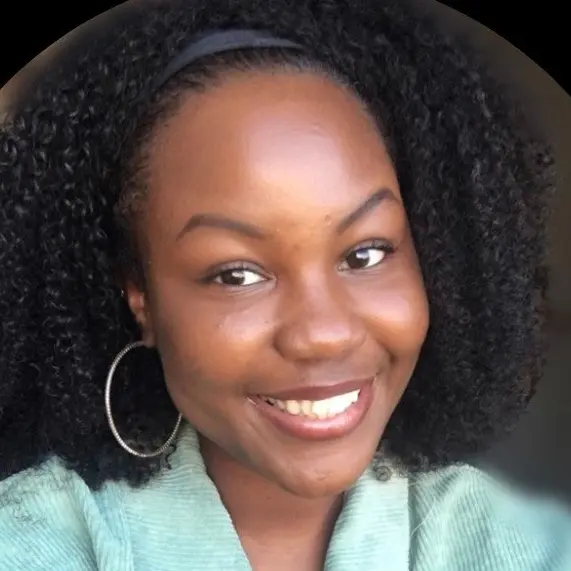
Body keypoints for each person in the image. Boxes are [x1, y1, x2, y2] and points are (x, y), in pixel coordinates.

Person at [0, 0, 569, 569]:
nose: (323, 334)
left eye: (366, 254)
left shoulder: (527, 549)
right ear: (140, 295)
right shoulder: (29, 545)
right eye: (237, 274)